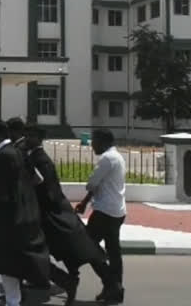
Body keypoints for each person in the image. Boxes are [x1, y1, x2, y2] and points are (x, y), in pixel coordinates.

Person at [25, 126, 117, 305]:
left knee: (80, 250)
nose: (28, 138)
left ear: (40, 137)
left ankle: (81, 282)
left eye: (32, 135)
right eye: (27, 135)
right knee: (77, 251)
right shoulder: (34, 157)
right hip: (55, 214)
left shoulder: (39, 160)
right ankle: (66, 281)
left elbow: (45, 189)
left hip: (52, 215)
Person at [0, 120, 50, 306]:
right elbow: (36, 179)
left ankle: (8, 300)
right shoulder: (17, 153)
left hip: (4, 221)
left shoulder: (4, 157)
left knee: (5, 264)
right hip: (18, 217)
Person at [75, 128, 127, 304]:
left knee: (88, 248)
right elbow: (97, 186)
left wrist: (84, 201)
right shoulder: (118, 156)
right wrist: (84, 203)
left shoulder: (106, 159)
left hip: (104, 212)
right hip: (118, 211)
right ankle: (115, 289)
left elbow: (92, 183)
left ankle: (111, 284)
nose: (92, 145)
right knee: (114, 252)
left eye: (95, 141)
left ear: (104, 141)